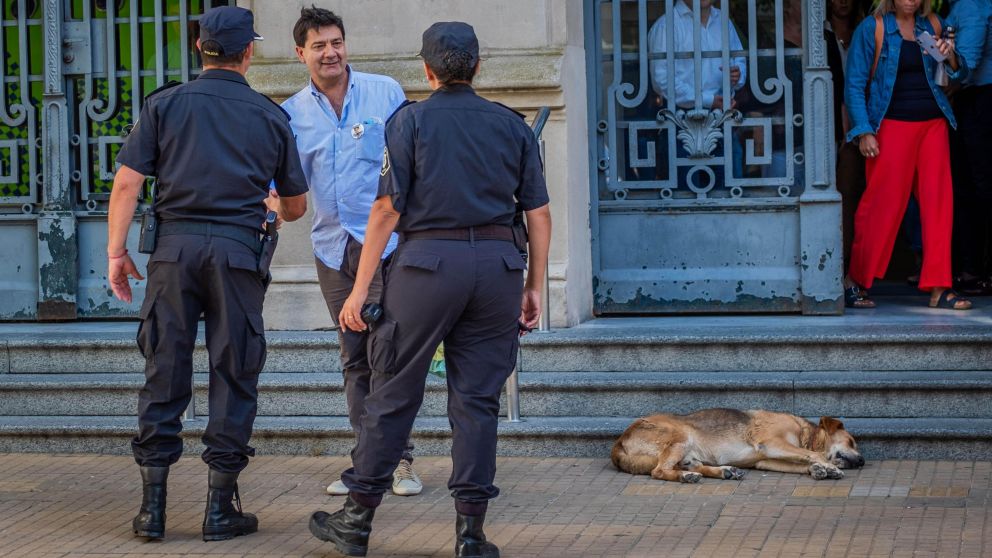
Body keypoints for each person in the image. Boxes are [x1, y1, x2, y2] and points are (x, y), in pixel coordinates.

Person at [307, 21, 551, 558]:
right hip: (497, 269)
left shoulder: (408, 121)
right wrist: (534, 287)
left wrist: (359, 288)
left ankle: (356, 519)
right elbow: (538, 214)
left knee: (392, 392)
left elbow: (386, 210)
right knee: (477, 402)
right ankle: (471, 534)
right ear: (477, 66)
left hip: (425, 268)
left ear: (426, 69)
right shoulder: (510, 125)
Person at [106, 6, 308, 542]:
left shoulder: (165, 105)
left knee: (164, 367)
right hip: (238, 255)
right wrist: (275, 209)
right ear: (249, 52)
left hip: (172, 253)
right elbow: (295, 203)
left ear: (201, 48)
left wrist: (116, 253)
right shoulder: (271, 115)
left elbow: (127, 184)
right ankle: (220, 511)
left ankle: (152, 512)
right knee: (234, 369)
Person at [279, 5, 422, 498]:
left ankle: (399, 463)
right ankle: (366, 465)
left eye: (336, 41)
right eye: (318, 45)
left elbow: (412, 167)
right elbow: (283, 186)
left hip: (389, 247)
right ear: (301, 54)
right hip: (332, 249)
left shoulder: (386, 93)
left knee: (391, 353)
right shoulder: (290, 114)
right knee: (353, 356)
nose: (330, 52)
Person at [843, 0, 971, 309]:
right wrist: (864, 130)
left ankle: (940, 287)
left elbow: (959, 75)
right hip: (891, 125)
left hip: (933, 125)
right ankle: (856, 280)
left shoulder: (934, 24)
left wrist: (951, 56)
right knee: (881, 205)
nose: (911, 0)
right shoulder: (873, 28)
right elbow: (855, 83)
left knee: (939, 205)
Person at [648, 0, 746, 188]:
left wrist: (738, 74)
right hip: (680, 123)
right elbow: (662, 80)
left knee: (730, 198)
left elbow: (739, 59)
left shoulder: (723, 21)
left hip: (723, 120)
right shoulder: (666, 25)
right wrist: (709, 101)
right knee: (684, 199)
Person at [947, 0, 992, 295]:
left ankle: (976, 270)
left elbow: (966, 65)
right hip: (975, 100)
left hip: (978, 101)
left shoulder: (971, 5)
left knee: (978, 187)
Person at [825, 0, 868, 268]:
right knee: (840, 195)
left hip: (866, 120)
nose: (842, 1)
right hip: (830, 123)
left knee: (862, 196)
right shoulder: (820, 35)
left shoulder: (866, 31)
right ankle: (837, 265)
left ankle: (856, 266)